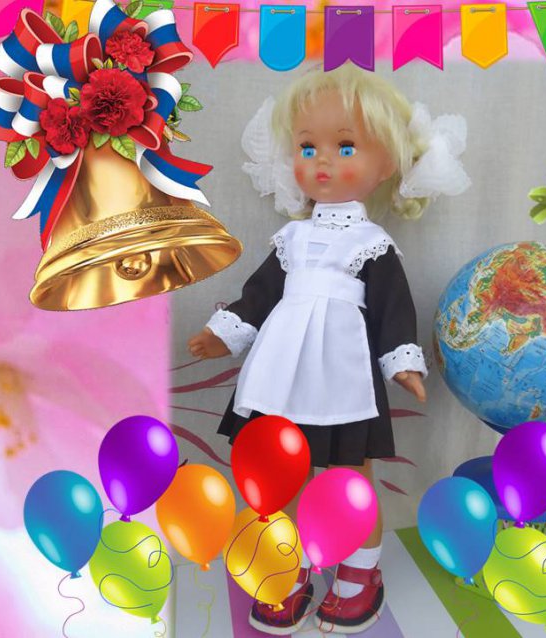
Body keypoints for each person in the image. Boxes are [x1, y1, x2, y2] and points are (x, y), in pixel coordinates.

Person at [188, 63, 469, 635]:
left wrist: (403, 363)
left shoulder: (372, 243)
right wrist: (225, 333)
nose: (323, 161)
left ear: (385, 164)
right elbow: (260, 294)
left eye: (345, 147)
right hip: (279, 374)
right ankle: (285, 568)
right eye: (307, 146)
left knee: (350, 477)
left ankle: (360, 574)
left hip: (343, 374)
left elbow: (394, 309)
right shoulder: (290, 237)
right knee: (278, 475)